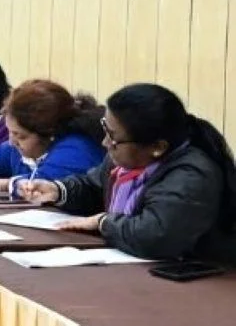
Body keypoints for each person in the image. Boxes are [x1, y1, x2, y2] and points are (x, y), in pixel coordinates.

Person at [18, 83, 236, 264]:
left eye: (112, 137)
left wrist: (104, 222)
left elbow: (155, 236)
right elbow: (94, 187)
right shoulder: (123, 159)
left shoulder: (192, 175)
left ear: (157, 147)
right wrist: (58, 190)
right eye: (105, 130)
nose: (105, 143)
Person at [0, 80, 104, 192]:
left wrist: (3, 184)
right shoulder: (18, 146)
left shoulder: (76, 149)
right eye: (10, 131)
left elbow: (43, 186)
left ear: (49, 133)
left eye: (20, 136)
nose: (11, 141)